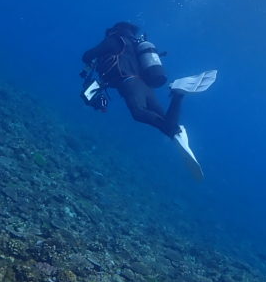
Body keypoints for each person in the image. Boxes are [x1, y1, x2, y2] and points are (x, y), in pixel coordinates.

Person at [81, 21, 216, 178]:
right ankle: (178, 96)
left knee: (138, 112)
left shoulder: (114, 40)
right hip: (147, 88)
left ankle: (177, 102)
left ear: (115, 30)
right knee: (167, 124)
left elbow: (87, 55)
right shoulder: (138, 45)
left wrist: (92, 60)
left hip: (129, 82)